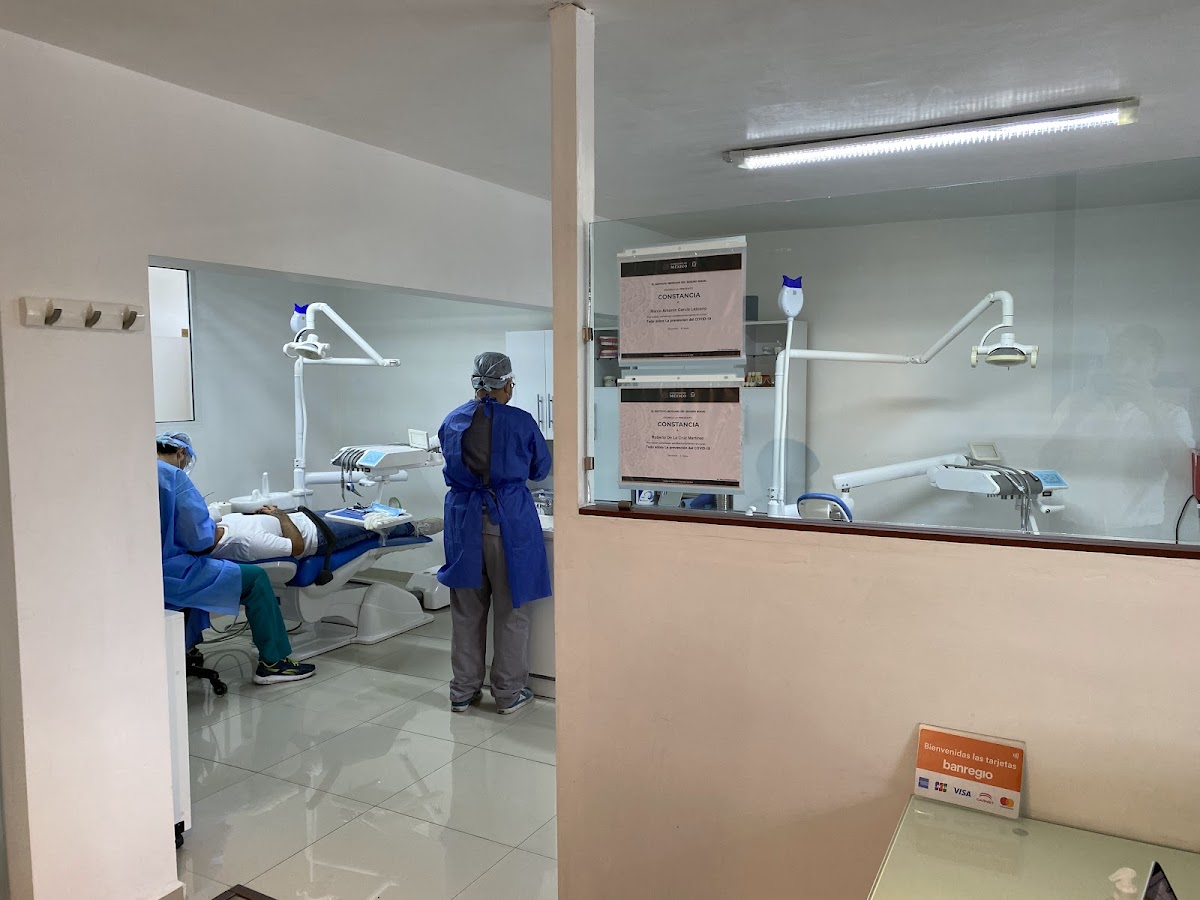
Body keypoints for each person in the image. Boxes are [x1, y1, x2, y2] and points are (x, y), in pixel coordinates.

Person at [437, 352, 552, 715]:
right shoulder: (520, 422)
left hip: (462, 523)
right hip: (508, 523)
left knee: (466, 611)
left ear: (475, 383)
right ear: (507, 384)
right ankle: (508, 692)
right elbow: (540, 469)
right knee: (511, 609)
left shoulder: (452, 420)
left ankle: (462, 691)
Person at [156, 432, 316, 684]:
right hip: (172, 571)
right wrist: (211, 522)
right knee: (256, 579)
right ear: (181, 453)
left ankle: (186, 649)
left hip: (148, 570)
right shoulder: (173, 477)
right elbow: (199, 538)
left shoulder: (136, 471)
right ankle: (273, 663)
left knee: (203, 578)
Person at [1043, 325, 1194, 540]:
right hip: (1075, 525)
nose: (1125, 368)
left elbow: (1185, 474)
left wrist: (1152, 411)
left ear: (1155, 369)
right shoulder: (1075, 405)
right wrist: (1076, 416)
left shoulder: (1173, 415)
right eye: (1118, 358)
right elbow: (1047, 463)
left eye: (1139, 360)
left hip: (1141, 530)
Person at [208, 507, 444, 563]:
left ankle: (399, 519)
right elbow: (297, 547)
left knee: (359, 511)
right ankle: (413, 528)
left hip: (306, 517)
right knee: (372, 524)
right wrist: (281, 516)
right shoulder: (245, 543)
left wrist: (270, 513)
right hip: (318, 536)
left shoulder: (220, 523)